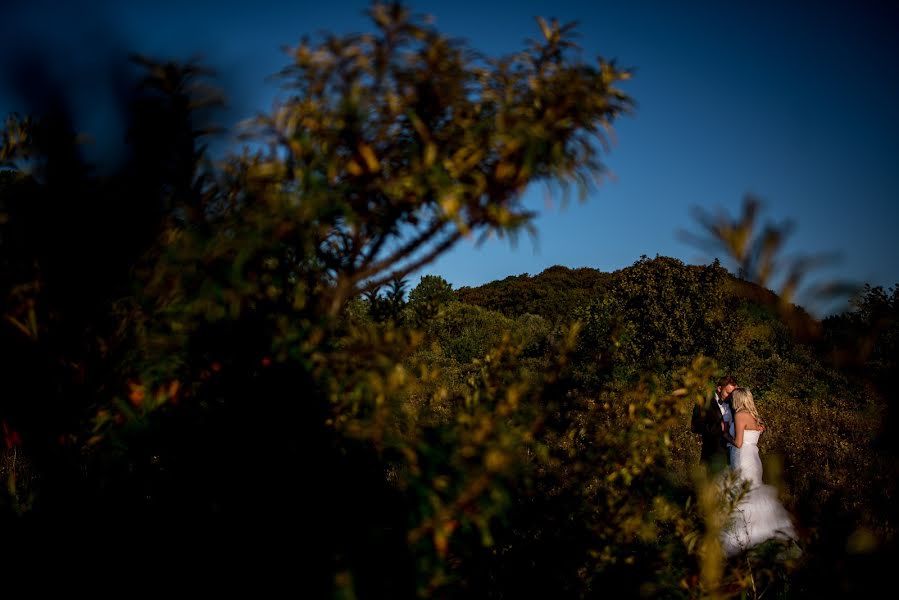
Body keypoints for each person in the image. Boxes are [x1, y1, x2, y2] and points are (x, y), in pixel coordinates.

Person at [721, 387, 799, 557]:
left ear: (738, 400)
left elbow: (739, 443)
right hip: (754, 459)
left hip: (743, 458)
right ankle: (762, 534)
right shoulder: (754, 416)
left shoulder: (740, 415)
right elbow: (756, 432)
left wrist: (725, 433)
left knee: (743, 494)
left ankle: (745, 539)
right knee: (753, 493)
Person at [691, 375, 737, 474]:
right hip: (713, 455)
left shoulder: (734, 402)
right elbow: (695, 426)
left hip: (734, 454)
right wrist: (718, 427)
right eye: (728, 393)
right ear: (719, 388)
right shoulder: (703, 402)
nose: (730, 396)